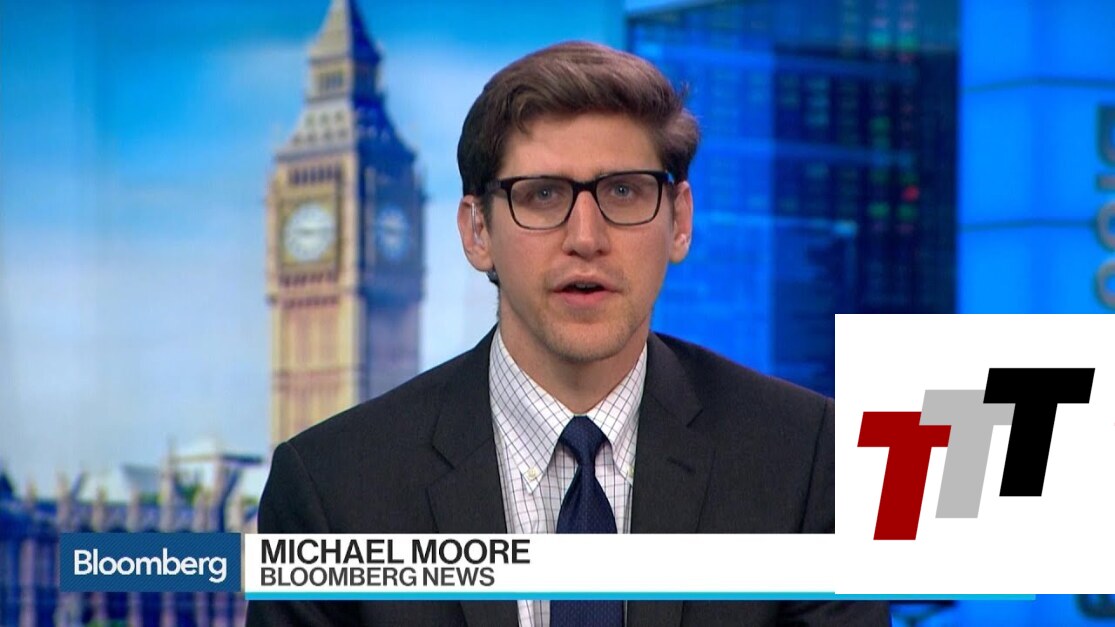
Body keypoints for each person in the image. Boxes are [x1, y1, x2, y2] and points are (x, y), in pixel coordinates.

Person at [248, 41, 889, 626]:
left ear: (680, 221)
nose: (586, 238)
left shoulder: (809, 461)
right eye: (544, 196)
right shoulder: (331, 488)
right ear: (477, 231)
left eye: (624, 191)